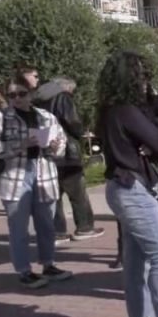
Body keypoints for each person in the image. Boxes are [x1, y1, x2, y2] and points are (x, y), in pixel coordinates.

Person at [97, 51, 158, 317]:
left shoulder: (107, 109)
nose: (146, 80)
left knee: (134, 258)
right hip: (133, 189)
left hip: (119, 187)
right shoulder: (127, 110)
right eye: (142, 75)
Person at [0, 76, 71, 289]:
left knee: (46, 224)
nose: (17, 99)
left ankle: (48, 264)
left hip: (44, 172)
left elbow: (61, 143)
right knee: (19, 228)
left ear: (30, 94)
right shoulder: (0, 118)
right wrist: (21, 144)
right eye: (12, 95)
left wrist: (55, 146)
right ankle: (24, 270)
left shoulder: (46, 116)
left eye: (21, 93)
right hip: (15, 176)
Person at [34, 76, 105, 241]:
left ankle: (58, 231)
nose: (72, 93)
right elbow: (71, 121)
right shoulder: (62, 97)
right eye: (72, 90)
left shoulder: (38, 98)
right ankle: (85, 227)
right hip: (67, 152)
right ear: (65, 87)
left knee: (55, 194)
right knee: (78, 192)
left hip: (47, 151)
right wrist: (82, 132)